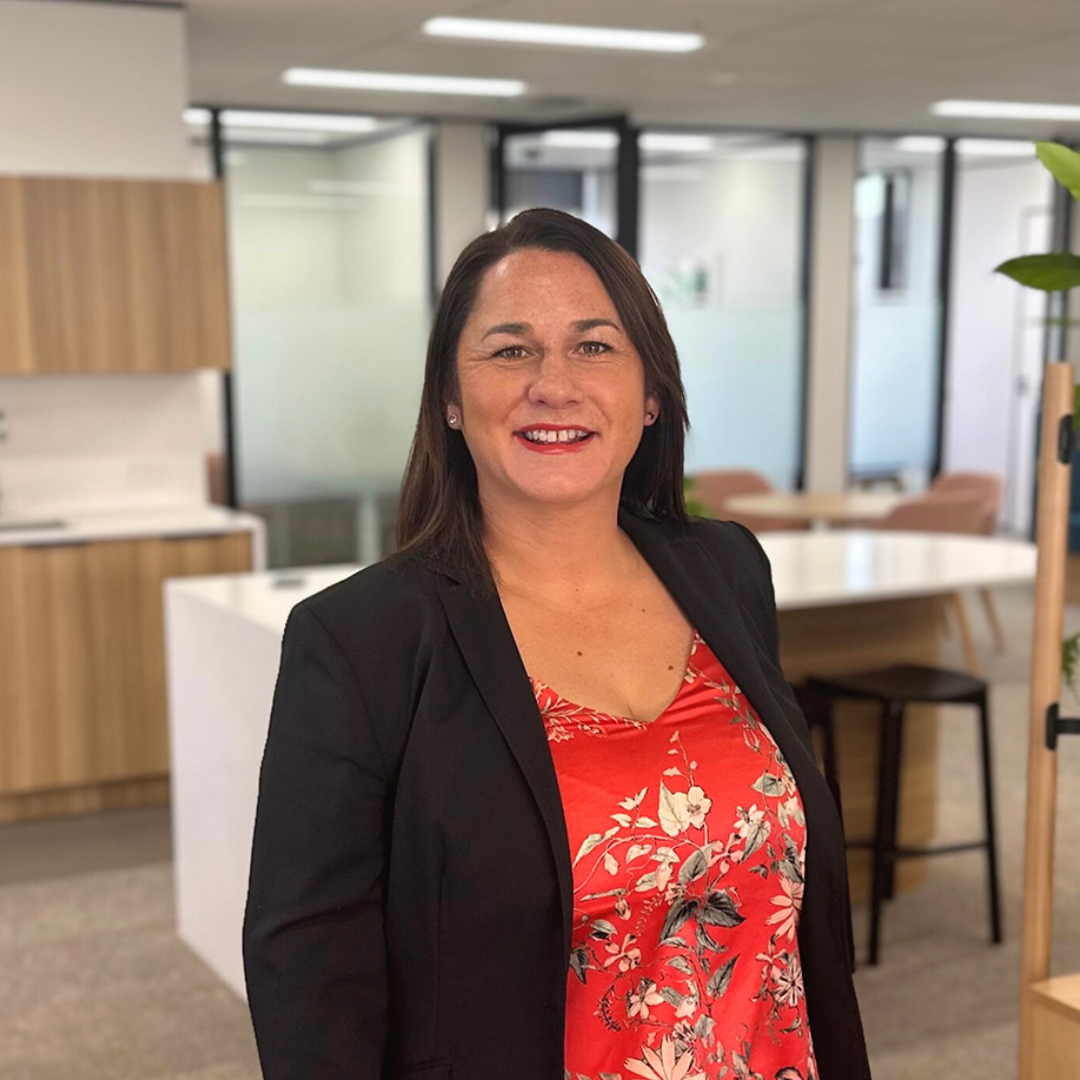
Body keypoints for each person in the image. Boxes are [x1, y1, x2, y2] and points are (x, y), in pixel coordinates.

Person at [242, 208, 872, 1080]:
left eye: (594, 346)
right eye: (510, 350)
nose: (554, 384)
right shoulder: (361, 641)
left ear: (650, 392)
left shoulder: (726, 570)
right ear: (451, 401)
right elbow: (308, 975)